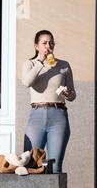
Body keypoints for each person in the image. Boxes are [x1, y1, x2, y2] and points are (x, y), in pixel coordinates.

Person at [22, 30, 76, 173]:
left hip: (58, 116)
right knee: (31, 162)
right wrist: (40, 62)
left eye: (51, 43)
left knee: (55, 165)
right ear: (36, 46)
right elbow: (27, 82)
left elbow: (72, 95)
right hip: (37, 115)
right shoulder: (30, 63)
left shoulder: (63, 65)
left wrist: (68, 94)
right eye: (44, 43)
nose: (48, 46)